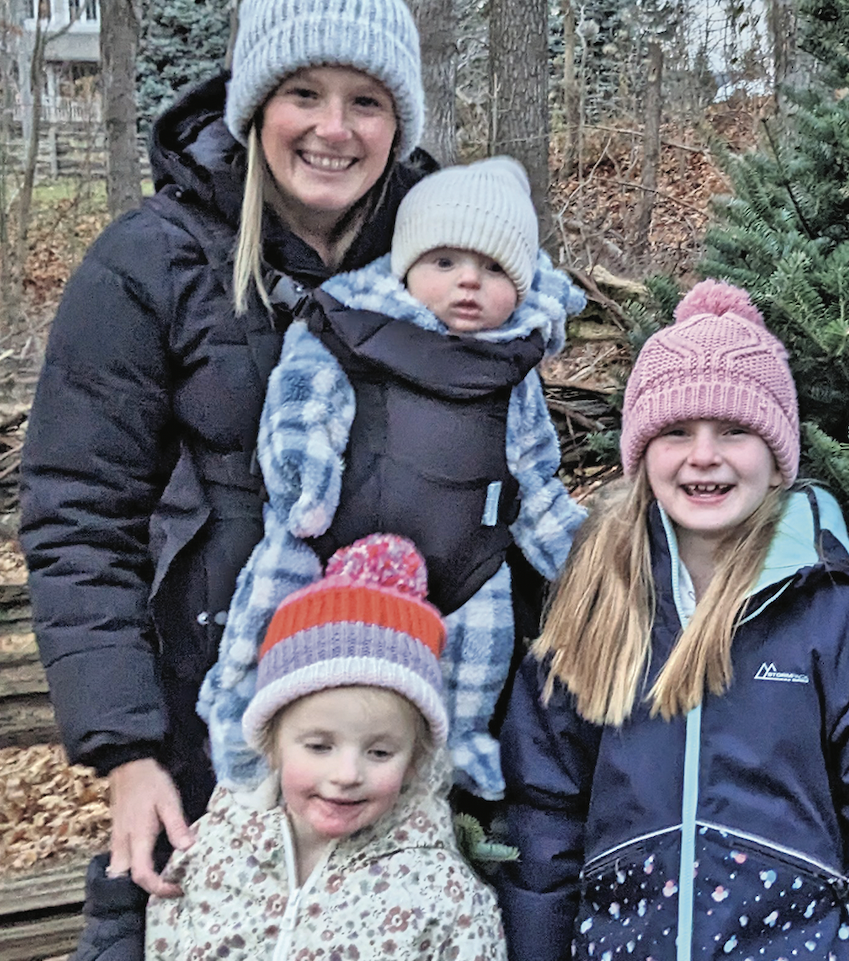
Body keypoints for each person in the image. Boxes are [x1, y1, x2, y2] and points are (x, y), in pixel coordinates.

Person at [19, 0, 431, 961]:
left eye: (366, 100)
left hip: (390, 768)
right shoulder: (146, 265)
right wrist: (128, 754)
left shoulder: (445, 269)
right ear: (255, 106)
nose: (332, 129)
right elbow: (78, 518)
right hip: (200, 760)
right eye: (304, 93)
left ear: (399, 119)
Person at [497, 280, 849, 961]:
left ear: (777, 458)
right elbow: (545, 814)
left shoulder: (842, 623)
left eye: (734, 430)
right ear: (641, 454)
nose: (703, 455)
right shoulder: (592, 606)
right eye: (676, 431)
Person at [198, 156, 586, 801]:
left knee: (478, 650)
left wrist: (577, 561)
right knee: (264, 607)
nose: (468, 282)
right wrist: (306, 487)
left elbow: (536, 476)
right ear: (406, 266)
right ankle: (238, 725)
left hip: (467, 561)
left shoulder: (515, 370)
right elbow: (299, 406)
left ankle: (459, 750)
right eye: (445, 263)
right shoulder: (345, 326)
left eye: (493, 270)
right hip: (325, 545)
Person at [144, 533, 512, 961]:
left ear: (416, 760)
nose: (346, 775)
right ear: (271, 744)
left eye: (379, 752)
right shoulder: (210, 856)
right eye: (319, 746)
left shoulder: (447, 899)